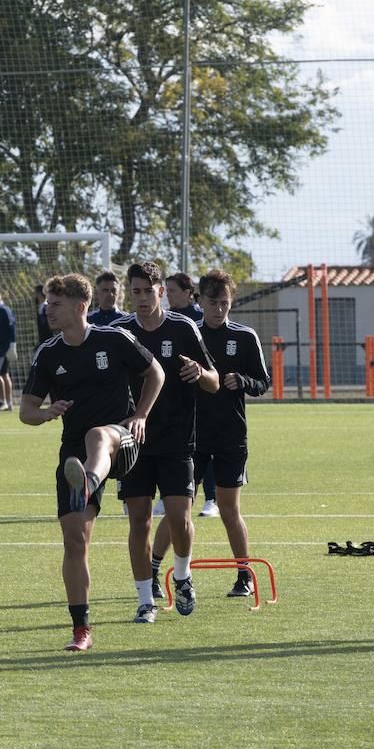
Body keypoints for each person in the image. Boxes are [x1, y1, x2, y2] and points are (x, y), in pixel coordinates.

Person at [20, 273, 163, 651]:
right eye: (47, 303)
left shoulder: (113, 339)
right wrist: (48, 411)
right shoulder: (48, 353)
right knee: (74, 541)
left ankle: (88, 480)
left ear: (80, 306)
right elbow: (26, 412)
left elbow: (156, 373)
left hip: (123, 439)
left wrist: (142, 415)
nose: (47, 310)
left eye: (56, 304)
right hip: (74, 453)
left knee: (97, 435)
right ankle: (81, 629)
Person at [117, 261, 219, 624]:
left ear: (162, 292)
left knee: (179, 517)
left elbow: (214, 381)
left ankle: (182, 575)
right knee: (140, 522)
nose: (143, 298)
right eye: (137, 291)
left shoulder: (183, 327)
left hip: (177, 439)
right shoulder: (120, 332)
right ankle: (145, 600)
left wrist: (200, 372)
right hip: (133, 443)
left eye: (149, 291)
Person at [193, 270, 272, 597]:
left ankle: (245, 575)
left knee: (229, 507)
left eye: (225, 302)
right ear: (200, 301)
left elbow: (264, 382)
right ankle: (158, 572)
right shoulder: (189, 334)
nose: (219, 309)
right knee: (179, 506)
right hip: (190, 436)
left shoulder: (244, 336)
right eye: (213, 302)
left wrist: (243, 380)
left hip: (230, 435)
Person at [165, 272, 218, 516]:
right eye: (166, 291)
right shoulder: (165, 319)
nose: (168, 296)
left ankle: (211, 499)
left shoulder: (200, 318)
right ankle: (169, 497)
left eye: (173, 291)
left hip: (205, 394)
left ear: (188, 293)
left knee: (204, 447)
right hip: (177, 396)